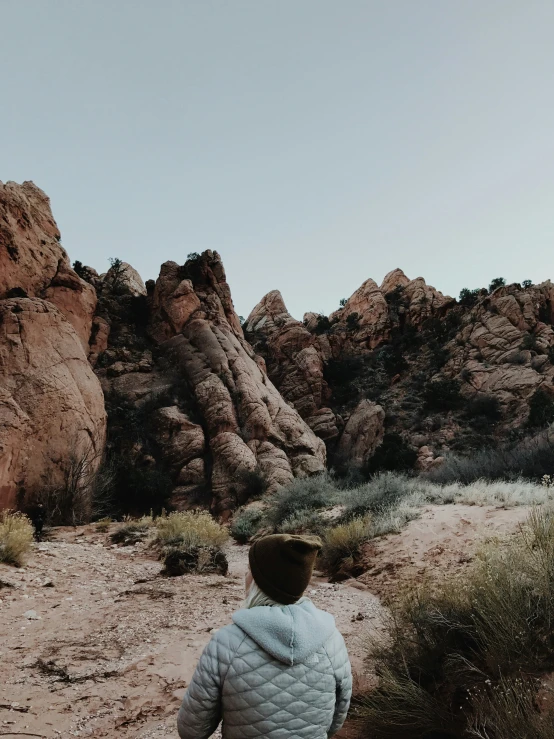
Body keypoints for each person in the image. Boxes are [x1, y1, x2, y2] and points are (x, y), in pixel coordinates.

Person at [177, 533, 352, 739]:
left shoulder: (225, 644)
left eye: (250, 571)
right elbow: (336, 721)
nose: (245, 576)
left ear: (261, 582)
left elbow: (191, 731)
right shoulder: (332, 640)